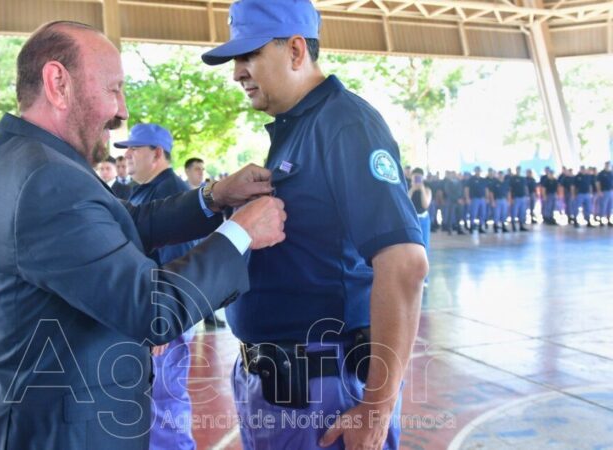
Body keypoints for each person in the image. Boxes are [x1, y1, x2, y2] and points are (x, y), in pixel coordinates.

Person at [0, 21, 287, 449]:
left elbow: (124, 223)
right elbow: (152, 310)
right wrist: (240, 233)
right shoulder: (46, 177)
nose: (123, 111)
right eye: (114, 89)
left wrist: (215, 195)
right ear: (58, 82)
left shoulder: (31, 158)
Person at [201, 1, 428, 448]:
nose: (236, 73)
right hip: (279, 388)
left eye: (249, 56)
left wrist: (377, 407)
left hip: (322, 393)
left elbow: (404, 264)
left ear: (296, 50)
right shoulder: (299, 127)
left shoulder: (345, 124)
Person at [116, 123, 199, 450]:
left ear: (157, 153)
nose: (128, 155)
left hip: (164, 323)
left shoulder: (169, 193)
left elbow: (177, 264)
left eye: (135, 148)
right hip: (152, 319)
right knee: (154, 410)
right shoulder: (146, 190)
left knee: (165, 409)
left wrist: (162, 323)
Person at [409, 168, 431, 284]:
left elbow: (425, 204)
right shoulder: (408, 189)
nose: (417, 180)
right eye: (415, 178)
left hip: (423, 219)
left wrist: (421, 189)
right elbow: (406, 204)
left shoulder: (427, 189)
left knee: (424, 247)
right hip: (412, 220)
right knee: (411, 248)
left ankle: (425, 278)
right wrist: (412, 189)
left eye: (419, 178)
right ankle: (413, 275)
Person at [464, 166, 488, 233]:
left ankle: (480, 227)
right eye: (477, 170)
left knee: (482, 213)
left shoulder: (483, 180)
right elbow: (466, 189)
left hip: (482, 199)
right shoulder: (471, 179)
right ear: (475, 171)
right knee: (473, 213)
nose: (478, 172)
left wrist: (487, 197)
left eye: (479, 170)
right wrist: (467, 198)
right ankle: (471, 226)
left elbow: (486, 189)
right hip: (474, 199)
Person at [509, 166, 529, 232]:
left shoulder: (523, 178)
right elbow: (510, 189)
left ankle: (521, 226)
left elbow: (525, 187)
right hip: (516, 198)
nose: (518, 170)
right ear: (516, 170)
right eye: (517, 169)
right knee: (514, 212)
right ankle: (513, 226)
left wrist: (527, 196)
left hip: (523, 197)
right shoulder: (513, 178)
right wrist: (511, 198)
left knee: (522, 212)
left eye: (519, 169)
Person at [597, 161, 612, 226]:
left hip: (611, 191)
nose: (608, 166)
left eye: (609, 165)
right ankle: (601, 220)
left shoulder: (611, 173)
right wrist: (599, 191)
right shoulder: (601, 173)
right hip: (604, 191)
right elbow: (598, 183)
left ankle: (608, 220)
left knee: (610, 206)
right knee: (603, 206)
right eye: (607, 165)